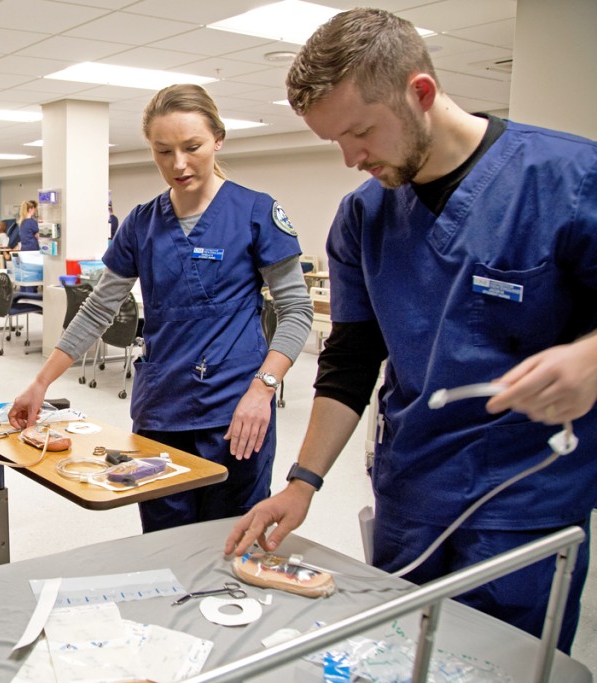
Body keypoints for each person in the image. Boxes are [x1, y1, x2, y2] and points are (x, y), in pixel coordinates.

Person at [224, 8, 597, 653]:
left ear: (419, 93)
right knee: (403, 654)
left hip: (523, 505)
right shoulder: (364, 217)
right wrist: (303, 481)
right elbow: (350, 361)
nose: (350, 158)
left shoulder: (564, 181)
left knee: (499, 664)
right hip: (412, 491)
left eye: (361, 132)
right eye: (333, 141)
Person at [9, 84, 313, 532]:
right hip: (161, 409)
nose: (178, 164)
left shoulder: (255, 213)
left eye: (192, 147)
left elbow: (296, 310)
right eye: (162, 151)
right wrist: (40, 382)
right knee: (164, 537)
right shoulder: (141, 223)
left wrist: (264, 388)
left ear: (218, 139)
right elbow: (98, 308)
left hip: (236, 412)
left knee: (230, 536)